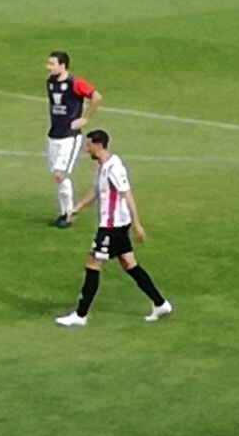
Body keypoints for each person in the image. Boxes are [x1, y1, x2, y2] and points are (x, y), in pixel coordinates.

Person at [55, 130, 172, 327]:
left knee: (92, 265)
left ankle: (80, 315)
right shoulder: (101, 166)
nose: (86, 148)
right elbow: (96, 191)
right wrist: (78, 208)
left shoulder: (114, 168)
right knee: (129, 264)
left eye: (89, 145)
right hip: (114, 226)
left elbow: (128, 196)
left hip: (112, 227)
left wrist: (138, 225)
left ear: (98, 145)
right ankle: (161, 304)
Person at [45, 51, 102, 228]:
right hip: (54, 134)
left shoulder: (75, 82)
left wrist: (85, 118)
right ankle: (63, 214)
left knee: (59, 174)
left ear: (63, 65)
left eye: (52, 64)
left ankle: (68, 215)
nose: (48, 67)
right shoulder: (50, 82)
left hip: (69, 137)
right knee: (58, 176)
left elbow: (96, 96)